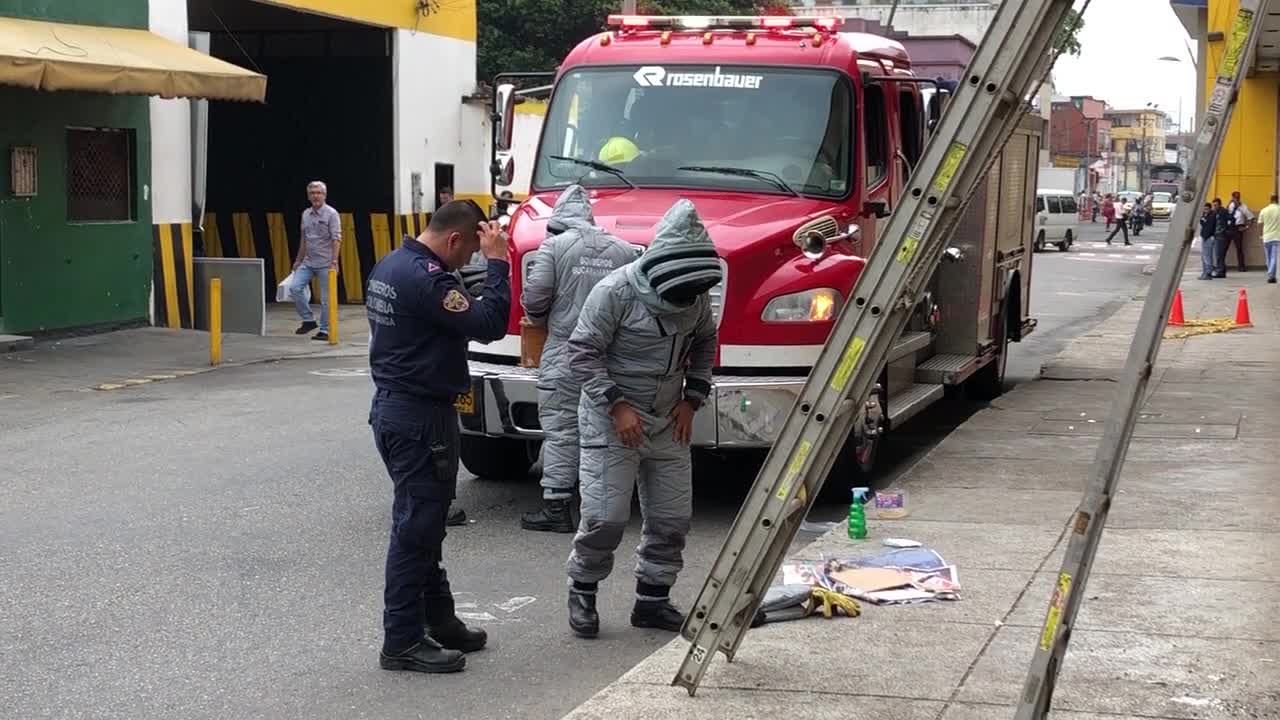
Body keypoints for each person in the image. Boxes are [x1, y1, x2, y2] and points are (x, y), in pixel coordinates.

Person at [365, 200, 511, 673]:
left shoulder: (391, 264)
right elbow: (489, 326)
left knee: (424, 525)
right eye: (470, 250)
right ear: (454, 240)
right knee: (416, 530)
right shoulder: (430, 280)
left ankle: (439, 620)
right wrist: (499, 264)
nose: (469, 259)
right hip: (420, 418)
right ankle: (402, 640)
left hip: (394, 408)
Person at [564, 199, 720, 638]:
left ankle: (653, 600)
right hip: (611, 418)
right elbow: (582, 352)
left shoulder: (695, 296)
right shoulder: (614, 292)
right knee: (605, 517)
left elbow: (707, 341)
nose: (686, 302)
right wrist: (616, 405)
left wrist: (693, 397)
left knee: (672, 519)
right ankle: (583, 591)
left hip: (668, 419)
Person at [519, 186, 637, 533]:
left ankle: (556, 507)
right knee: (604, 430)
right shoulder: (624, 250)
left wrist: (539, 319)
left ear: (557, 221)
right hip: (609, 356)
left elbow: (535, 297)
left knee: (561, 428)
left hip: (565, 350)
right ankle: (603, 509)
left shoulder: (553, 246)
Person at [288, 181, 341, 341]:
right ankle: (309, 320)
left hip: (326, 263)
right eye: (312, 193)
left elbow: (336, 239)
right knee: (295, 288)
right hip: (308, 262)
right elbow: (304, 240)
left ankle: (325, 331)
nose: (315, 196)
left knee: (326, 300)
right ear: (308, 196)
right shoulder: (305, 214)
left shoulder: (332, 214)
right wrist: (298, 261)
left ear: (324, 195)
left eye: (319, 193)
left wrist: (334, 262)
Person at [1225, 190, 1254, 272]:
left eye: (1238, 198)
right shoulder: (1230, 206)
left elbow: (1251, 217)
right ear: (1233, 197)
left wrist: (1246, 227)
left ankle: (1241, 266)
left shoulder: (1243, 207)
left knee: (1239, 248)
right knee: (1224, 247)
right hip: (1229, 227)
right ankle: (1221, 265)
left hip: (1238, 228)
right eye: (1235, 198)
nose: (1237, 199)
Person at [1258, 194, 1280, 283]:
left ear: (1270, 200)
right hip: (1277, 236)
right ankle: (1271, 275)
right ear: (1277, 200)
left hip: (1266, 237)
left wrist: (1261, 235)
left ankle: (1272, 276)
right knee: (1274, 257)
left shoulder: (1264, 210)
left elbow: (1259, 224)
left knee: (1268, 257)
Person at [1210, 198, 1234, 278]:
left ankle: (1220, 271)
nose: (1214, 207)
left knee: (1219, 254)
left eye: (1216, 205)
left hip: (1222, 236)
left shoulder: (1223, 212)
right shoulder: (1216, 212)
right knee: (1220, 254)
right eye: (1213, 205)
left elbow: (1231, 220)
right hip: (1218, 235)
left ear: (1219, 204)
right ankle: (1221, 270)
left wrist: (1226, 230)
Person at [1198, 203, 1218, 280]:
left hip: (1208, 237)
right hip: (1205, 237)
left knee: (1207, 256)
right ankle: (1205, 272)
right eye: (1204, 209)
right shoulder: (1205, 216)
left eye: (1206, 209)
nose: (1205, 210)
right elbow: (1203, 224)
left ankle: (1208, 273)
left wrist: (1208, 236)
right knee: (1204, 256)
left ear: (1210, 209)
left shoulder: (1212, 216)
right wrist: (1203, 217)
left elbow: (1210, 227)